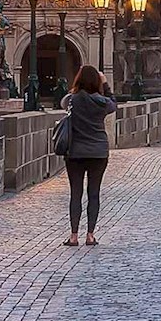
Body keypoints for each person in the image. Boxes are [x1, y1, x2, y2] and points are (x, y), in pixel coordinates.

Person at [62, 65, 115, 247]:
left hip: (75, 152)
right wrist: (105, 85)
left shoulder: (72, 100)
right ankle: (90, 235)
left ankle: (73, 236)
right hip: (98, 152)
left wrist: (75, 88)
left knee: (75, 194)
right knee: (94, 193)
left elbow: (63, 102)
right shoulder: (102, 102)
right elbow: (113, 104)